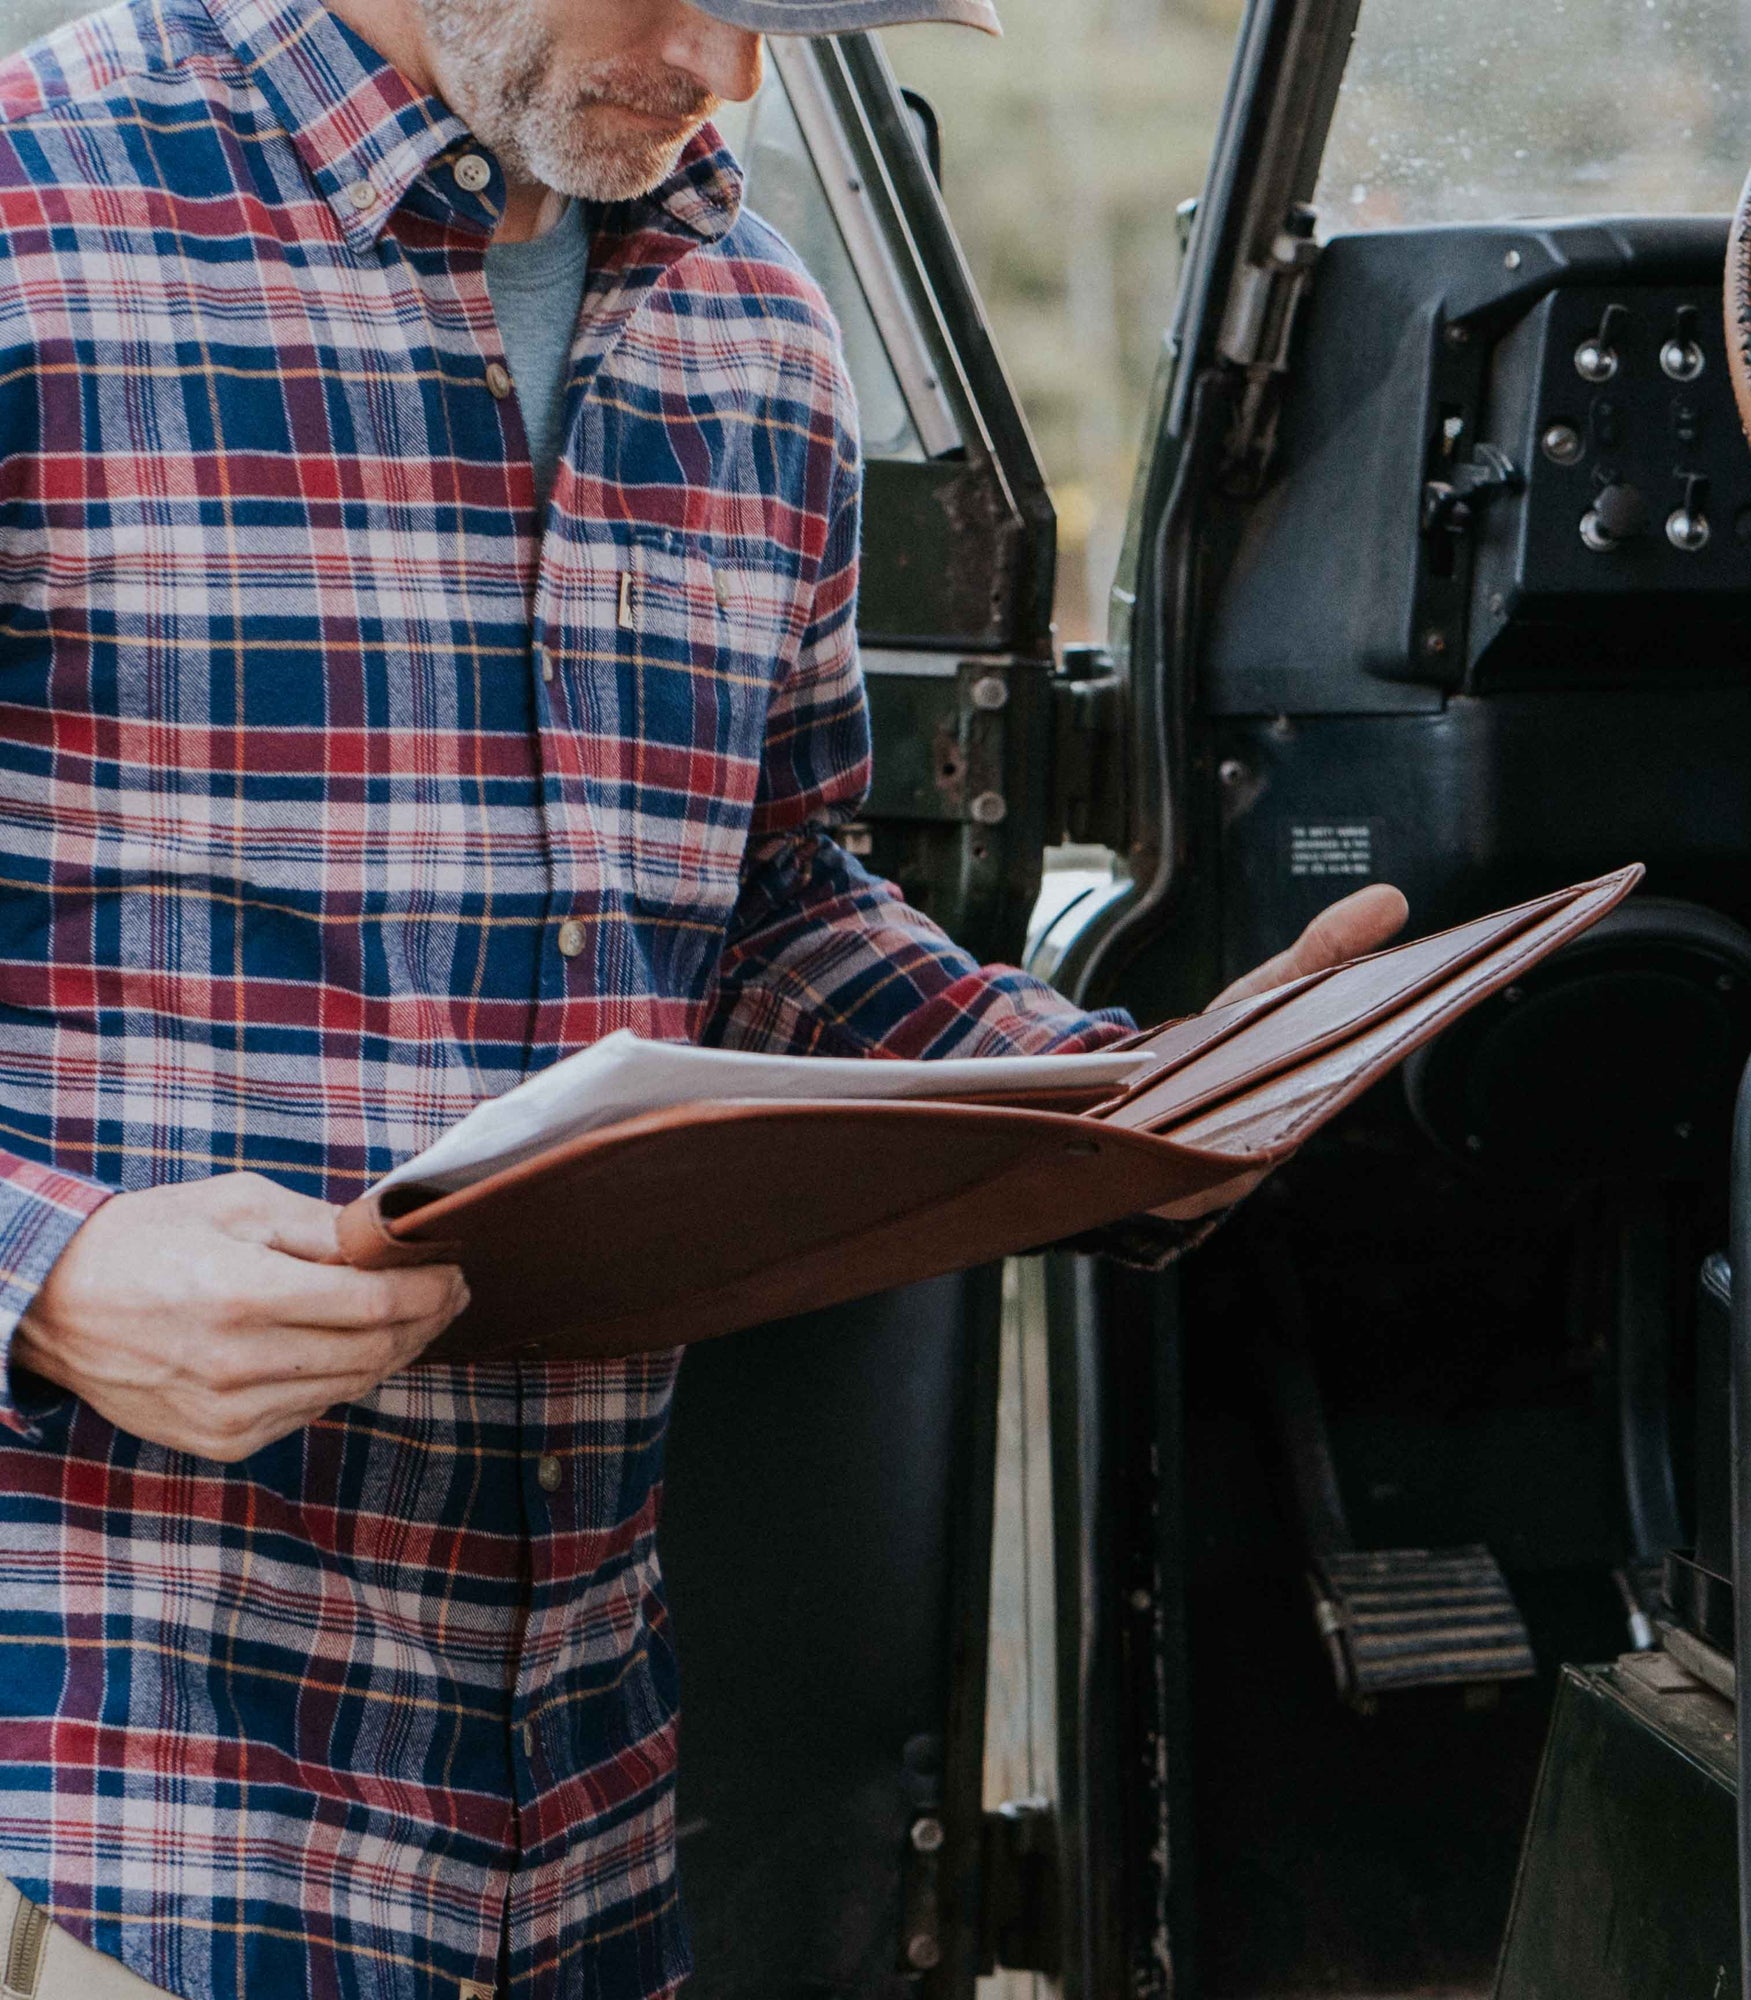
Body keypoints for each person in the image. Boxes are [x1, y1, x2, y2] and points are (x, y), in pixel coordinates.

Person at [0, 0, 1407, 1991]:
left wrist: (1126, 1103)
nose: (730, 69)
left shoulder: (752, 331)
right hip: (89, 1811)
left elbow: (765, 906)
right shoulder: (31, 208)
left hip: (564, 1818)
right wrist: (47, 1279)